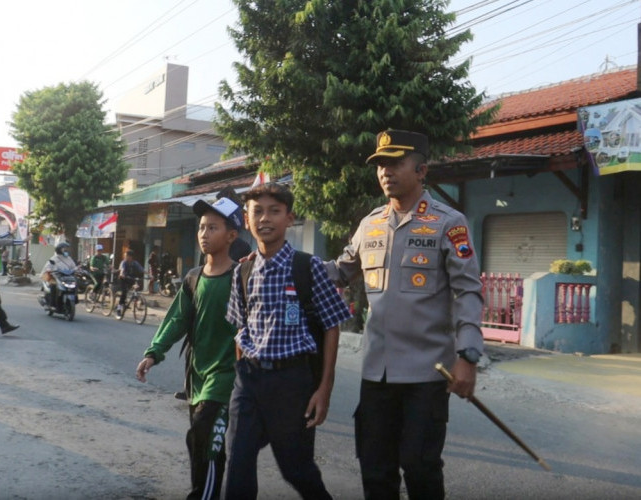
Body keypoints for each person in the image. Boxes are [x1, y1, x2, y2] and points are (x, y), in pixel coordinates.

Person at [324, 130, 484, 500]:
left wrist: (468, 356)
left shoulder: (449, 223)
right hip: (375, 374)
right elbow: (337, 272)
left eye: (394, 163)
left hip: (427, 374)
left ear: (422, 169)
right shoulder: (370, 224)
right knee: (375, 470)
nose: (385, 172)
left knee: (420, 466)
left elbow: (467, 291)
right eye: (380, 164)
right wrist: (279, 260)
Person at [224, 183, 351, 500]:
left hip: (292, 382)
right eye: (257, 211)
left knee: (296, 469)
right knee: (237, 463)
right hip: (249, 380)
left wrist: (324, 389)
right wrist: (242, 371)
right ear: (246, 219)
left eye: (274, 211)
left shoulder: (308, 268)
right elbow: (240, 328)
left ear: (290, 218)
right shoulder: (242, 271)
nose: (265, 218)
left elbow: (332, 325)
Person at [136, 196, 243, 500]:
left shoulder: (242, 278)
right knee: (198, 440)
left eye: (213, 228)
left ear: (231, 235)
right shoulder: (193, 278)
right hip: (196, 376)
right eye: (201, 228)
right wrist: (153, 353)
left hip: (227, 378)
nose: (204, 234)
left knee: (206, 438)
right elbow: (177, 320)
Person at [41, 242, 78, 308]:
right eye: (64, 249)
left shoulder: (69, 258)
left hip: (67, 277)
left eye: (66, 249)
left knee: (75, 284)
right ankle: (52, 304)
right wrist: (49, 270)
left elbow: (74, 266)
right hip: (57, 277)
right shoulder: (54, 258)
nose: (66, 250)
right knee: (53, 286)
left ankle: (75, 299)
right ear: (59, 250)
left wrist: (76, 269)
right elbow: (48, 266)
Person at [116, 249, 144, 316]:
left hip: (131, 279)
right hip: (123, 279)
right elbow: (122, 269)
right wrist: (122, 274)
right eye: (125, 256)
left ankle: (136, 303)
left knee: (136, 288)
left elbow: (141, 269)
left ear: (131, 257)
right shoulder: (124, 262)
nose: (125, 257)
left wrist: (149, 275)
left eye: (127, 256)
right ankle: (119, 308)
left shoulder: (135, 263)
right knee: (124, 292)